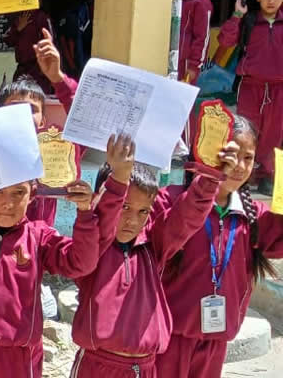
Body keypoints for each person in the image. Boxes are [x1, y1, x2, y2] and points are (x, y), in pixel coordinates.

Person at [0, 106, 103, 377]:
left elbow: (80, 263)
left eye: (18, 192)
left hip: (15, 357)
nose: (8, 202)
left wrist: (85, 215)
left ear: (32, 195)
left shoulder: (38, 237)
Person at [68, 135, 235, 378]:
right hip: (98, 366)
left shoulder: (153, 248)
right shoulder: (92, 250)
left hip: (145, 368)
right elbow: (104, 219)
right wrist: (119, 178)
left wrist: (210, 178)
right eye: (124, 207)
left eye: (143, 211)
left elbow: (185, 217)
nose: (132, 221)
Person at [156, 114, 283, 377]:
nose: (239, 166)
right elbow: (166, 237)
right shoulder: (171, 200)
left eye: (248, 158)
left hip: (216, 341)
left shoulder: (252, 215)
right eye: (230, 155)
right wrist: (208, 182)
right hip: (169, 338)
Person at [0, 6, 78, 226]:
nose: (23, 116)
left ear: (43, 121)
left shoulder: (57, 146)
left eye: (32, 110)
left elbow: (80, 116)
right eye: (15, 108)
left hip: (35, 243)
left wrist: (58, 78)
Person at [218, 0, 283, 192]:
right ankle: (243, 175)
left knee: (274, 134)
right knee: (247, 131)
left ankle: (267, 175)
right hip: (250, 86)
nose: (271, 1)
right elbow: (225, 41)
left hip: (279, 88)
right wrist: (237, 15)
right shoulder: (250, 22)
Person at [180, 0, 213, 83]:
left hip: (186, 66)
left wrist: (194, 67)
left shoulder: (201, 2)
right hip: (170, 61)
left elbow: (202, 38)